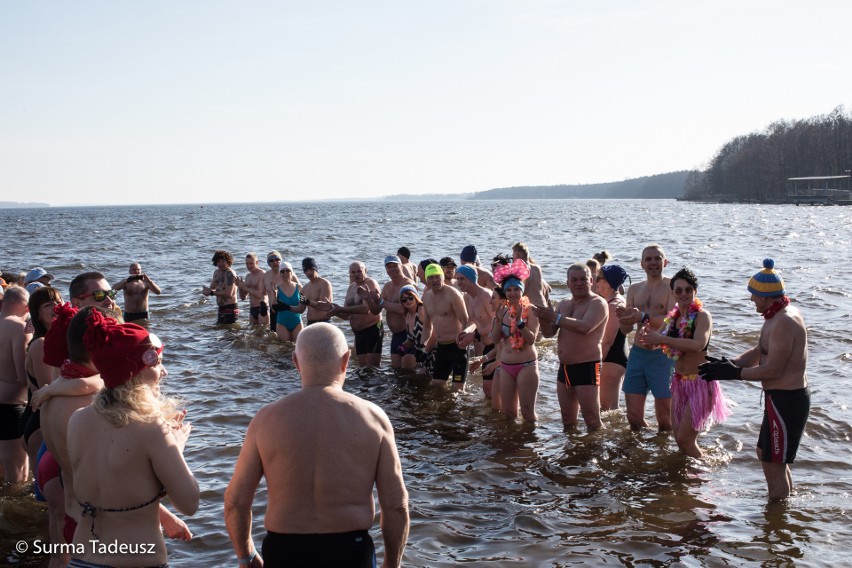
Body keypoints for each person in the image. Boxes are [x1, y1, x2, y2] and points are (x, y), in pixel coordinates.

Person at [224, 323, 409, 567]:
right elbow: (396, 505)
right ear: (346, 360)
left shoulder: (265, 420)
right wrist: (392, 563)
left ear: (295, 362)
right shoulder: (374, 419)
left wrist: (246, 555)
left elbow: (236, 502)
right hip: (350, 551)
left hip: (285, 550)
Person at [66, 310, 199, 567]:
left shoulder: (78, 420)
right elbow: (190, 502)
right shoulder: (151, 429)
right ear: (135, 372)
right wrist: (176, 447)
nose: (164, 372)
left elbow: (117, 482)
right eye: (157, 363)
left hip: (81, 558)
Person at [699, 258, 809, 500]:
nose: (751, 299)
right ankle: (782, 514)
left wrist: (735, 374)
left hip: (787, 401)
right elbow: (760, 351)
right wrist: (731, 364)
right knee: (765, 454)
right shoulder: (774, 316)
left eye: (754, 295)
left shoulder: (784, 321)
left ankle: (775, 522)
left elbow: (773, 370)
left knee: (774, 463)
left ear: (767, 296)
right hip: (777, 399)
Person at [638, 268, 730, 457]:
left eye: (688, 290)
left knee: (685, 440)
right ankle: (687, 483)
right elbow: (655, 344)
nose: (683, 294)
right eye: (678, 290)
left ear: (695, 291)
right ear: (672, 293)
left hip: (701, 383)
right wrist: (645, 338)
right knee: (678, 438)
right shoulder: (672, 318)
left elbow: (697, 345)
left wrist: (661, 339)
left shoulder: (702, 316)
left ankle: (703, 476)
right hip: (680, 383)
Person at [535, 263, 608, 431]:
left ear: (591, 281)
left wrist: (555, 317)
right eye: (574, 280)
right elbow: (548, 333)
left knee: (592, 420)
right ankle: (571, 453)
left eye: (583, 279)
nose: (579, 283)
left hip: (587, 366)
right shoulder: (564, 304)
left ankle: (598, 452)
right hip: (565, 368)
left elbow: (585, 327)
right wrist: (542, 316)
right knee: (567, 420)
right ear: (567, 283)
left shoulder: (598, 303)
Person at [616, 244, 676, 431]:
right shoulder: (634, 289)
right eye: (648, 259)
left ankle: (663, 452)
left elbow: (672, 321)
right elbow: (626, 330)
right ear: (642, 264)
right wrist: (624, 318)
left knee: (664, 417)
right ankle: (639, 455)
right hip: (638, 354)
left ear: (665, 262)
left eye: (657, 258)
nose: (653, 263)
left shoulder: (673, 286)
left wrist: (642, 316)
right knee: (633, 418)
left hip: (662, 354)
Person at [491, 261, 540, 421]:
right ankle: (512, 445)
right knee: (509, 414)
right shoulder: (503, 310)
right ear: (505, 292)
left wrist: (519, 321)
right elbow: (495, 339)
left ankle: (532, 443)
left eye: (516, 289)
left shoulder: (531, 310)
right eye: (509, 290)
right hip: (506, 366)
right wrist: (498, 322)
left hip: (526, 365)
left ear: (522, 290)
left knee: (527, 414)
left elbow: (531, 339)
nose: (513, 293)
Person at [421, 263, 471, 391]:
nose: (434, 280)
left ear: (443, 276)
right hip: (442, 348)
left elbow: (465, 320)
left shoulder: (453, 294)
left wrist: (463, 345)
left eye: (437, 276)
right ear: (426, 280)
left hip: (457, 347)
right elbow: (427, 326)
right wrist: (422, 348)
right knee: (436, 386)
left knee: (458, 390)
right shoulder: (426, 297)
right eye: (431, 277)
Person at [360, 256, 415, 369]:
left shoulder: (408, 285)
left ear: (401, 266)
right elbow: (376, 311)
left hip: (408, 334)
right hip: (395, 336)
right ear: (386, 270)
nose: (392, 269)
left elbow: (402, 309)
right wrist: (369, 299)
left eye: (395, 266)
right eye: (389, 267)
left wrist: (381, 301)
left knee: (407, 372)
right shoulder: (387, 286)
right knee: (396, 372)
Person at [0, 285, 31, 483]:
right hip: (11, 405)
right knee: (18, 473)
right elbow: (23, 374)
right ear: (26, 307)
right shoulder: (19, 328)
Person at [326, 262, 383, 367]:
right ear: (349, 274)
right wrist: (333, 310)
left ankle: (378, 384)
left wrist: (341, 309)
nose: (356, 274)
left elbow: (366, 309)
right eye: (353, 272)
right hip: (358, 333)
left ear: (365, 271)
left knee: (372, 367)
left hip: (373, 328)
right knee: (362, 366)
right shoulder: (351, 288)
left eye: (359, 271)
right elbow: (346, 315)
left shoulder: (370, 283)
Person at [455, 265, 497, 399]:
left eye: (462, 279)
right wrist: (465, 332)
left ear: (472, 279)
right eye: (457, 279)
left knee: (494, 388)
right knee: (488, 388)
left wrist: (474, 336)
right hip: (487, 346)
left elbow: (498, 323)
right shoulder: (467, 297)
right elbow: (474, 322)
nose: (459, 282)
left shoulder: (486, 296)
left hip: (498, 346)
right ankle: (493, 416)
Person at [596, 265, 630, 411]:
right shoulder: (613, 301)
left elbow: (608, 340)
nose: (595, 282)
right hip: (616, 357)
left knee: (606, 408)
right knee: (609, 409)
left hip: (611, 359)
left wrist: (595, 366)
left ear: (609, 282)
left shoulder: (614, 305)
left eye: (599, 279)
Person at [203, 250, 240, 324]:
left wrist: (212, 293)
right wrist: (206, 291)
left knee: (230, 333)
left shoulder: (230, 273)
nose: (221, 264)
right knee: (220, 330)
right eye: (219, 261)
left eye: (223, 261)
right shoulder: (216, 273)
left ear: (228, 262)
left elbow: (228, 293)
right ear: (216, 262)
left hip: (231, 308)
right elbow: (212, 288)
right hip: (221, 308)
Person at [512, 242, 551, 308]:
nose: (513, 259)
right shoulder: (537, 268)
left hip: (532, 308)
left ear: (517, 255)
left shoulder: (519, 269)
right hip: (543, 305)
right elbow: (548, 288)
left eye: (513, 256)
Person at [274, 262, 305, 342]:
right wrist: (274, 297)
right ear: (279, 274)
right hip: (282, 323)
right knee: (285, 348)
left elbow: (303, 307)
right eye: (282, 271)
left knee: (298, 346)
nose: (285, 273)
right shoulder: (276, 289)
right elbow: (273, 308)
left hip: (297, 322)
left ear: (292, 273)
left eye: (287, 271)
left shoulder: (299, 287)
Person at [236, 253, 268, 326]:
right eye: (247, 264)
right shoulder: (248, 276)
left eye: (251, 263)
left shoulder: (262, 274)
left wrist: (245, 287)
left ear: (257, 262)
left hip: (262, 308)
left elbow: (261, 294)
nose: (249, 266)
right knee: (253, 334)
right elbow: (243, 298)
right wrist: (240, 287)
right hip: (252, 309)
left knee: (264, 332)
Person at [299, 257, 334, 326]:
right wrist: (287, 307)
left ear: (316, 269)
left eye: (311, 269)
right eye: (306, 270)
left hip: (324, 322)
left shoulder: (325, 283)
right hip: (310, 323)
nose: (309, 273)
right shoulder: (304, 288)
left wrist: (308, 302)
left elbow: (323, 306)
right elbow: (301, 309)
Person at [264, 251, 284, 332]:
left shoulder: (287, 273)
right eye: (271, 260)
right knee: (274, 336)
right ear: (268, 263)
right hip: (273, 311)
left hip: (286, 310)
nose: (275, 262)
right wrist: (262, 303)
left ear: (281, 261)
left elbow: (300, 289)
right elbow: (262, 293)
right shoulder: (266, 276)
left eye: (277, 259)